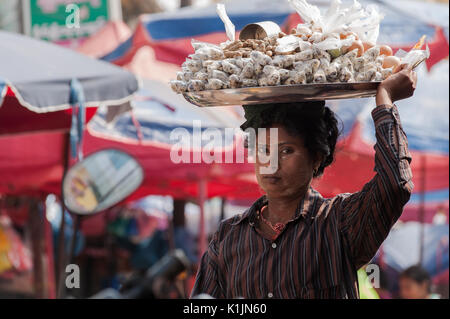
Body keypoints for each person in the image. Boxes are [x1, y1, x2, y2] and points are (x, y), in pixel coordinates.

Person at [190, 64, 417, 299]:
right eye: (263, 150)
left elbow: (394, 184)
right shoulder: (227, 237)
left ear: (316, 158)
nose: (272, 163)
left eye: (286, 151)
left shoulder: (339, 222)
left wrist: (385, 99)